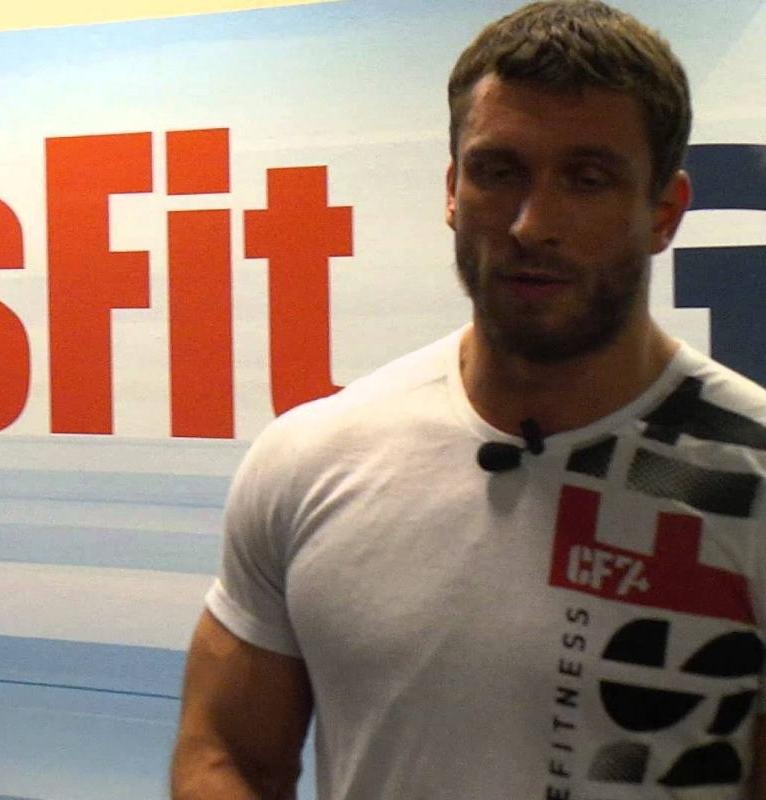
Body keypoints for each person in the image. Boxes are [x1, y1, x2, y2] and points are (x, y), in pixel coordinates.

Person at [170, 1, 766, 798]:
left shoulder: (750, 472)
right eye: (499, 172)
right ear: (453, 190)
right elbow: (225, 752)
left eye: (588, 179)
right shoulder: (312, 457)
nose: (532, 223)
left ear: (664, 212)